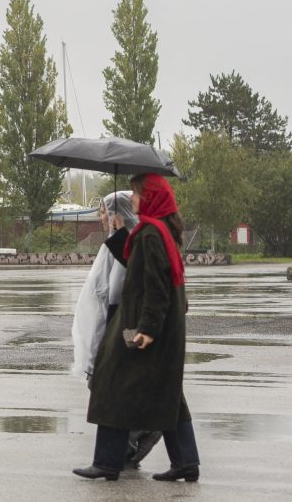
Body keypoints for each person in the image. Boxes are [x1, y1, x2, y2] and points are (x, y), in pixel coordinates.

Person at [74, 173, 201, 483]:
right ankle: (186, 461)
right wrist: (118, 233)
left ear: (151, 198)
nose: (132, 198)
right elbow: (139, 265)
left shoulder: (149, 234)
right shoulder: (159, 231)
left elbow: (155, 287)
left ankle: (107, 462)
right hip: (163, 330)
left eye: (136, 193)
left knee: (112, 384)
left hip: (142, 329)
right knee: (168, 393)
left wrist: (147, 330)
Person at [71, 192, 161, 468]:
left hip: (117, 324)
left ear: (116, 214)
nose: (100, 217)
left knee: (109, 387)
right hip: (112, 323)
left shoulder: (128, 244)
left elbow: (114, 293)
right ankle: (127, 444)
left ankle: (129, 441)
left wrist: (106, 336)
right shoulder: (119, 243)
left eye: (104, 211)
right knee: (116, 387)